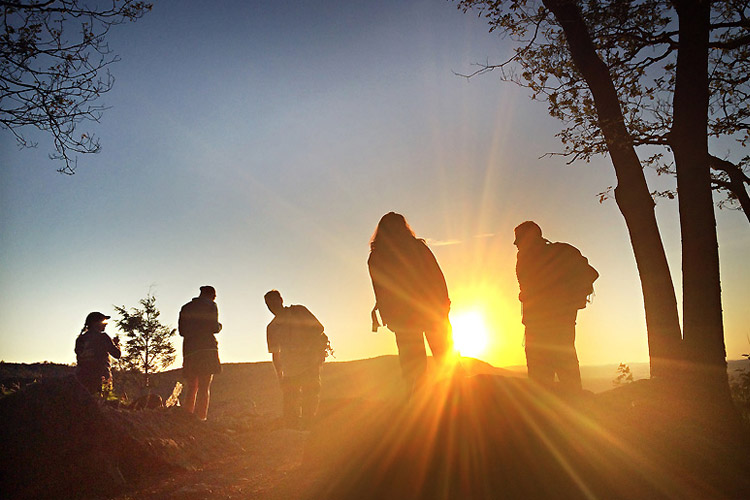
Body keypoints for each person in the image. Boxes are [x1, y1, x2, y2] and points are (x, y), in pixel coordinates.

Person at [368, 212, 454, 397]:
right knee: (446, 359)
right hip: (431, 310)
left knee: (413, 369)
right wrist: (444, 305)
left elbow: (380, 290)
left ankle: (415, 410)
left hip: (403, 318)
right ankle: (458, 402)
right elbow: (436, 276)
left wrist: (388, 317)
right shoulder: (418, 248)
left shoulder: (376, 257)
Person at [514, 221, 599, 393]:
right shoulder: (562, 253)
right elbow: (592, 273)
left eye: (519, 242)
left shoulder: (528, 261)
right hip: (562, 325)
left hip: (539, 328)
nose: (517, 247)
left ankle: (549, 416)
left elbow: (533, 291)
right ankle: (575, 411)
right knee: (568, 374)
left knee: (540, 381)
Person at [265, 290, 327, 429]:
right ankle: (294, 432)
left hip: (309, 364)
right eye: (268, 304)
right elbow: (275, 354)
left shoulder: (299, 311)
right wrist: (280, 376)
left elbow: (319, 328)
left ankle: (307, 428)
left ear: (281, 299)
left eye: (273, 302)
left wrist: (310, 346)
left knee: (309, 400)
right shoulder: (272, 328)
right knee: (291, 406)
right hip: (290, 370)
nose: (271, 306)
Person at [179, 285, 222, 421]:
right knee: (204, 387)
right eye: (214, 295)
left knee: (192, 387)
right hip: (206, 348)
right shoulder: (211, 306)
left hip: (190, 350)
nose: (215, 298)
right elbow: (214, 327)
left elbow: (181, 331)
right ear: (211, 295)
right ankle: (201, 419)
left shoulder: (186, 307)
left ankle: (187, 416)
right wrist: (220, 326)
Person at [75, 311, 121, 396]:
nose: (106, 324)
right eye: (103, 322)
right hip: (101, 378)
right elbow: (117, 354)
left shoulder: (80, 339)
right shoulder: (103, 337)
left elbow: (79, 358)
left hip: (81, 379)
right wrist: (116, 344)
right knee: (103, 404)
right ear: (95, 323)